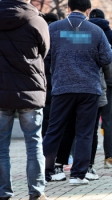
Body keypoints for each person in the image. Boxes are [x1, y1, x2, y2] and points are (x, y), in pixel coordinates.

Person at [42, 0, 112, 186]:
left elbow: (46, 54)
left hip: (62, 87)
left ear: (68, 8)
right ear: (88, 10)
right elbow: (107, 58)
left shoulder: (55, 28)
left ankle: (47, 171)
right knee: (84, 132)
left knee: (54, 130)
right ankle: (78, 175)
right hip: (89, 89)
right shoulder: (96, 31)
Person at [0, 0, 50, 199]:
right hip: (30, 90)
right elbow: (44, 51)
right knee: (34, 143)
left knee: (1, 146)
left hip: (2, 91)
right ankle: (36, 192)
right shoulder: (37, 21)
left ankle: (3, 192)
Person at [89, 8, 112, 169]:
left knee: (89, 122)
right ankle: (109, 157)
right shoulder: (110, 34)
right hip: (109, 81)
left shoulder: (84, 32)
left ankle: (87, 161)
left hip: (89, 81)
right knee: (108, 121)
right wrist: (107, 66)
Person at [41, 13, 59, 138]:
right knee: (58, 121)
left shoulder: (39, 37)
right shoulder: (62, 37)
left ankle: (44, 152)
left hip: (41, 88)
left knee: (43, 121)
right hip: (59, 88)